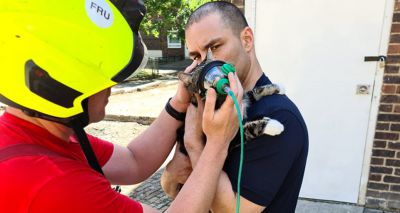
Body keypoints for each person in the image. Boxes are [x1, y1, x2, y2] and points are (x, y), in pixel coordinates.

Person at [0, 0, 244, 212]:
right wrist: (217, 143)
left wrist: (179, 102)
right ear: (59, 86)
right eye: (102, 75)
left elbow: (134, 161)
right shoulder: (52, 184)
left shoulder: (42, 134)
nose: (111, 87)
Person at [161, 1, 309, 213]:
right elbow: (170, 182)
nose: (205, 65)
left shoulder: (280, 116)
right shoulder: (209, 103)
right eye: (196, 57)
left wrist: (194, 144)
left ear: (247, 40)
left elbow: (229, 210)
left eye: (214, 47)